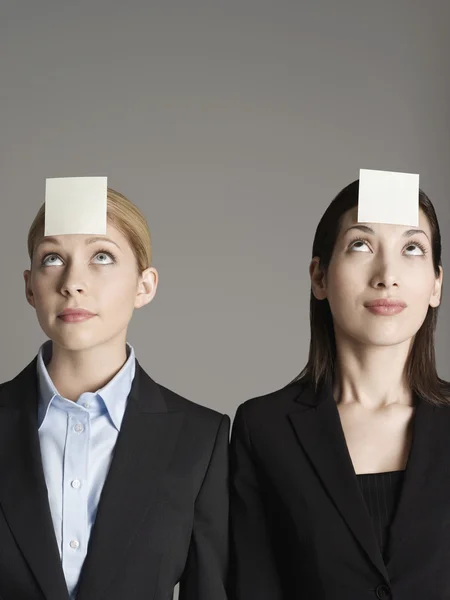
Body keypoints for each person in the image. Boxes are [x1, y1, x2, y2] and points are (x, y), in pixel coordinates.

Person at [0, 187, 229, 600]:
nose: (73, 283)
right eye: (52, 259)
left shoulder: (200, 438)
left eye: (101, 256)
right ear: (30, 286)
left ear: (145, 285)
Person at [229, 179, 450, 600]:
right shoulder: (265, 429)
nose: (387, 276)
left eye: (412, 249)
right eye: (361, 246)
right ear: (319, 277)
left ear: (436, 284)